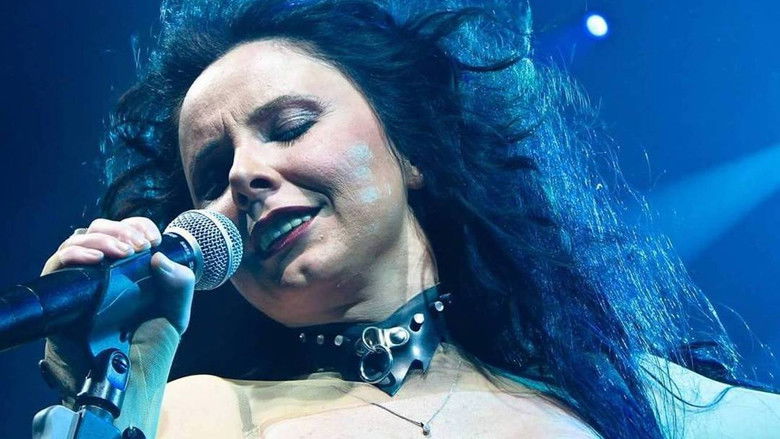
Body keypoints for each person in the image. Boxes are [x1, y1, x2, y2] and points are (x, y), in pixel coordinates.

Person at [37, 0, 780, 437]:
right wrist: (116, 392)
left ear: (412, 149)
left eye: (289, 126)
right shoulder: (188, 417)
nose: (243, 175)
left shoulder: (638, 401)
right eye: (211, 175)